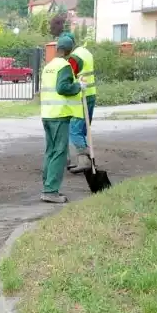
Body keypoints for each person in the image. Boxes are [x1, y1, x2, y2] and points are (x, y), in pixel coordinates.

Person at [40, 36, 86, 204]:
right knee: (59, 152)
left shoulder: (49, 66)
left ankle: (47, 186)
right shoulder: (65, 66)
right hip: (59, 116)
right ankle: (51, 191)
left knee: (50, 151)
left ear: (58, 48)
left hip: (47, 114)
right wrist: (78, 86)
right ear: (70, 50)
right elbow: (62, 88)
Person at [63, 32, 96, 174]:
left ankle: (85, 161)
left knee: (74, 130)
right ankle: (87, 159)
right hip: (91, 94)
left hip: (81, 96)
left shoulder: (74, 58)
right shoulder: (85, 52)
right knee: (83, 129)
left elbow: (69, 77)